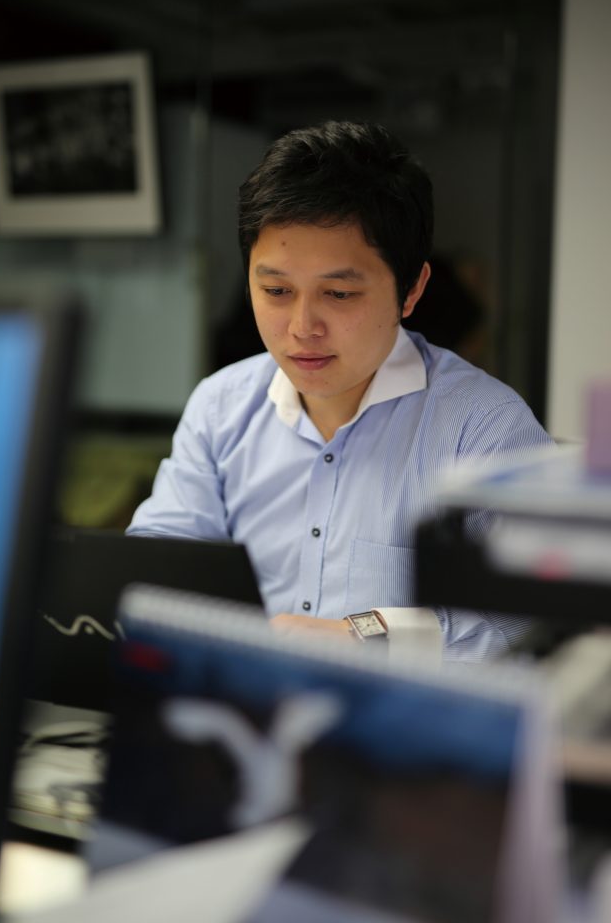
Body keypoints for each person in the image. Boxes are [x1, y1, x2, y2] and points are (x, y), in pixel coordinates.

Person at [127, 120, 553, 660]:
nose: (302, 327)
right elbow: (158, 565)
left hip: (399, 712)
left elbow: (526, 620)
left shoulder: (485, 429)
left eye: (339, 294)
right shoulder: (220, 406)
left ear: (411, 290)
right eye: (276, 290)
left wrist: (364, 634)